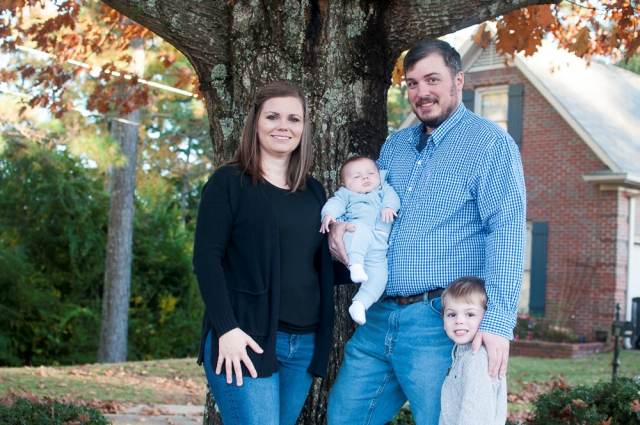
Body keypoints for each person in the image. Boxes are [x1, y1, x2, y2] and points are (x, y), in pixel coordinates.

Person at [327, 38, 526, 424]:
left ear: (458, 80)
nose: (422, 92)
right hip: (378, 316)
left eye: (432, 80)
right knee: (342, 418)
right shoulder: (395, 147)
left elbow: (506, 231)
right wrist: (339, 227)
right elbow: (366, 204)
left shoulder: (490, 144)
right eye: (413, 83)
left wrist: (499, 322)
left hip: (440, 325)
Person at [192, 82, 335, 425]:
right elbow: (206, 260)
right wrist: (226, 330)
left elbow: (317, 264)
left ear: (304, 128)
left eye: (293, 119)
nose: (283, 126)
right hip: (246, 339)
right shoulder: (229, 182)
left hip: (303, 346)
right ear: (255, 123)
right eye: (272, 117)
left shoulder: (314, 191)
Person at [320, 156, 401, 325]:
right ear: (344, 184)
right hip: (357, 232)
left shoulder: (384, 189)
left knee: (380, 276)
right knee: (359, 231)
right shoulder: (345, 195)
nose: (365, 177)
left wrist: (389, 207)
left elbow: (393, 198)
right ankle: (355, 266)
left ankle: (359, 304)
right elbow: (334, 204)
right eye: (356, 176)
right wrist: (328, 215)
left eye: (370, 173)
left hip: (380, 243)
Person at [439, 276, 507, 425]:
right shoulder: (462, 354)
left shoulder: (476, 359)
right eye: (452, 314)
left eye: (470, 314)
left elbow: (475, 416)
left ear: (486, 318)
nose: (459, 320)